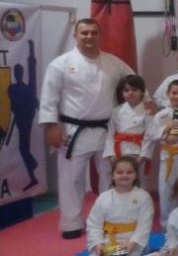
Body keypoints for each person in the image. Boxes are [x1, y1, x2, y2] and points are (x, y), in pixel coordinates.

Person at [39, 19, 134, 238]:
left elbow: (134, 81)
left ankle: (111, 218)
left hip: (106, 129)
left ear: (100, 35)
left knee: (110, 175)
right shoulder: (60, 64)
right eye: (84, 33)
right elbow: (49, 97)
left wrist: (145, 101)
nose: (89, 37)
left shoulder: (113, 62)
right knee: (71, 178)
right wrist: (51, 125)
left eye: (93, 33)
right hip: (73, 130)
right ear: (76, 36)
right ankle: (71, 223)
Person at [81, 156, 153, 256]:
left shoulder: (143, 197)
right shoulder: (104, 197)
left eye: (129, 172)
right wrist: (98, 244)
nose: (124, 175)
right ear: (112, 176)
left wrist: (132, 244)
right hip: (108, 242)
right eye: (120, 172)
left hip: (130, 243)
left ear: (135, 175)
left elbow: (144, 226)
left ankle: (140, 254)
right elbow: (94, 224)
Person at [142, 79, 178, 228]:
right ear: (168, 94)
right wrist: (166, 131)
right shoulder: (161, 115)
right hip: (168, 157)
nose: (177, 96)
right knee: (166, 188)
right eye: (174, 93)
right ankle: (167, 222)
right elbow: (152, 135)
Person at [101, 75, 150, 192]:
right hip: (119, 152)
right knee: (119, 182)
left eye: (134, 90)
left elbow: (149, 136)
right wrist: (111, 154)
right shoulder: (117, 110)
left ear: (142, 92)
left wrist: (142, 156)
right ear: (122, 93)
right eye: (126, 90)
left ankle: (140, 203)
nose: (130, 93)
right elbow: (110, 134)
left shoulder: (147, 111)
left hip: (138, 153)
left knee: (138, 183)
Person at [7, 39, 40, 191]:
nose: (18, 74)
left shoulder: (28, 88)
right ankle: (33, 171)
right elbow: (14, 104)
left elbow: (32, 69)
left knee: (23, 149)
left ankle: (33, 172)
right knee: (23, 149)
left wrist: (31, 49)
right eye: (16, 72)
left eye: (19, 72)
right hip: (20, 122)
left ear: (22, 73)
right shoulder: (12, 88)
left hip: (26, 122)